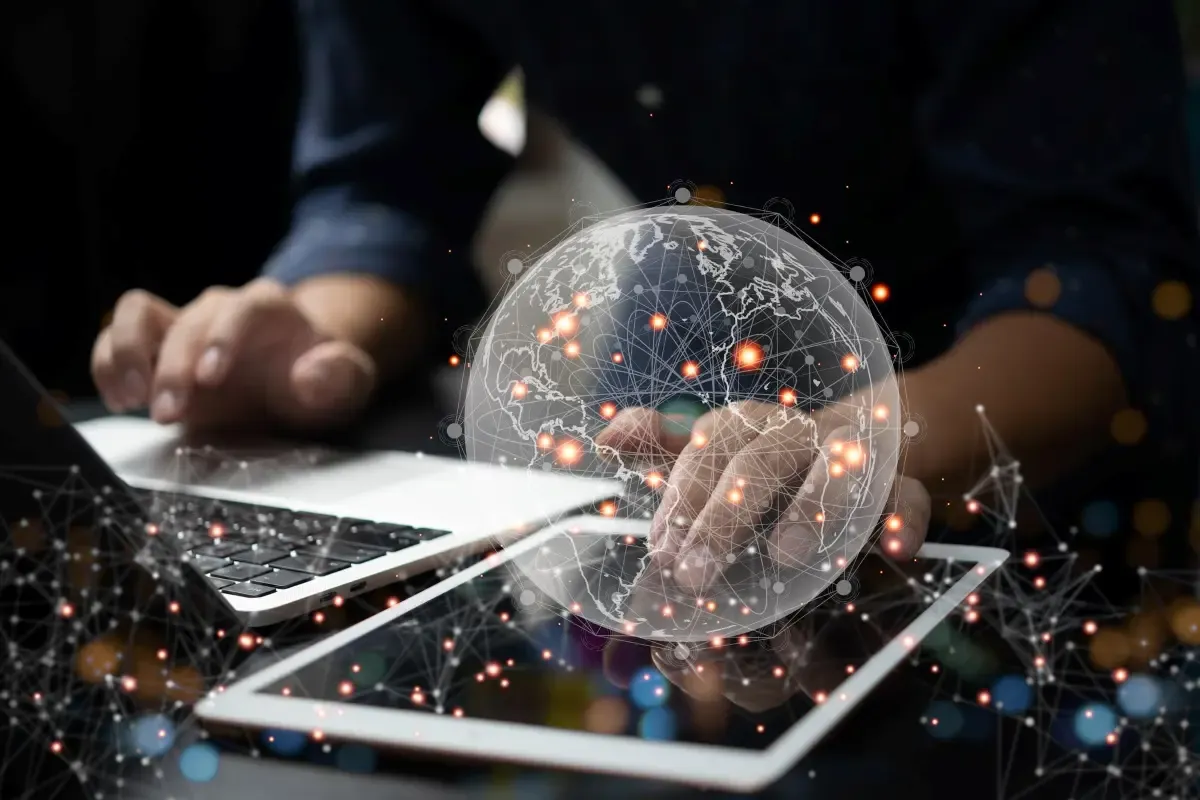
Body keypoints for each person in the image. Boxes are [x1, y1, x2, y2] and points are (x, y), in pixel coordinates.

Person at [91, 0, 1198, 565]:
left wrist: (873, 445)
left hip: (1051, 471)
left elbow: (1098, 269)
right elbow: (387, 177)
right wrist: (312, 326)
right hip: (704, 378)